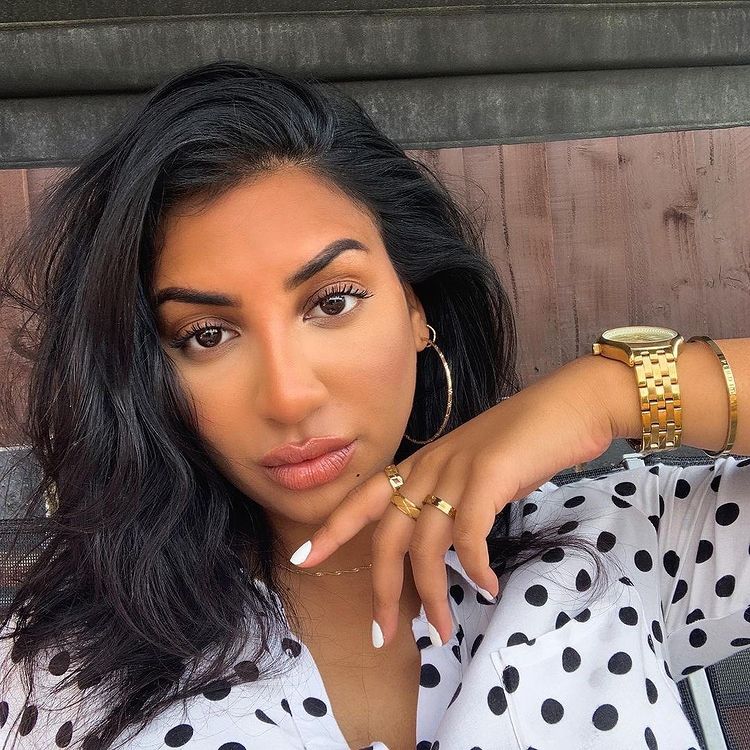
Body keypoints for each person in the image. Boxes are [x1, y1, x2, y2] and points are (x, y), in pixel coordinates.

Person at [0, 59, 746, 750]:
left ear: (417, 306)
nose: (289, 395)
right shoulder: (51, 667)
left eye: (333, 301)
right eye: (206, 334)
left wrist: (608, 393)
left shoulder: (617, 542)